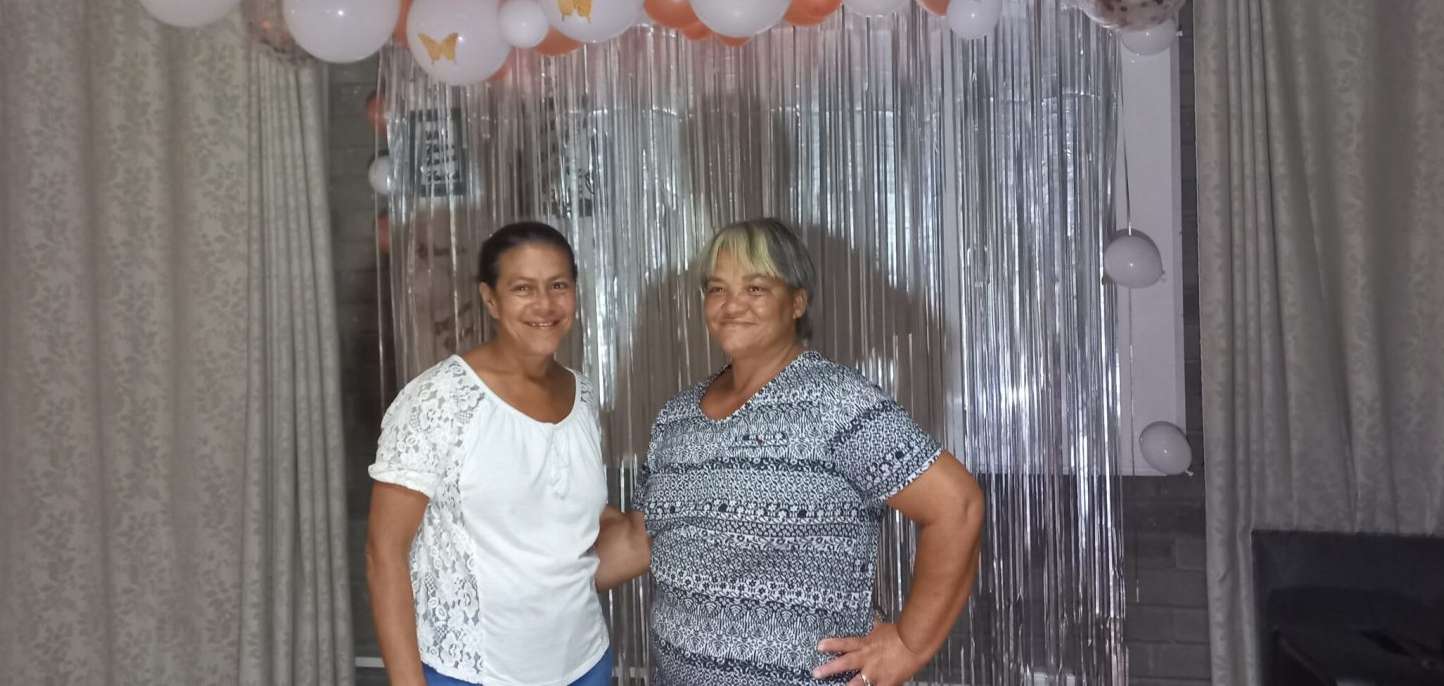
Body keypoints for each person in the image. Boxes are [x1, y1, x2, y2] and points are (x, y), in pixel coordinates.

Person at [633, 218, 984, 686]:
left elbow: (957, 506)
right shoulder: (677, 415)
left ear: (796, 302)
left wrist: (909, 646)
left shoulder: (835, 401)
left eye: (755, 288)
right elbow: (644, 538)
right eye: (717, 289)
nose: (731, 305)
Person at [366, 221, 648, 686]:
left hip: (585, 665)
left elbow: (572, 526)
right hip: (470, 673)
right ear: (490, 299)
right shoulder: (439, 399)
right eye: (523, 288)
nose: (544, 304)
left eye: (558, 285)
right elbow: (384, 555)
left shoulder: (581, 395)